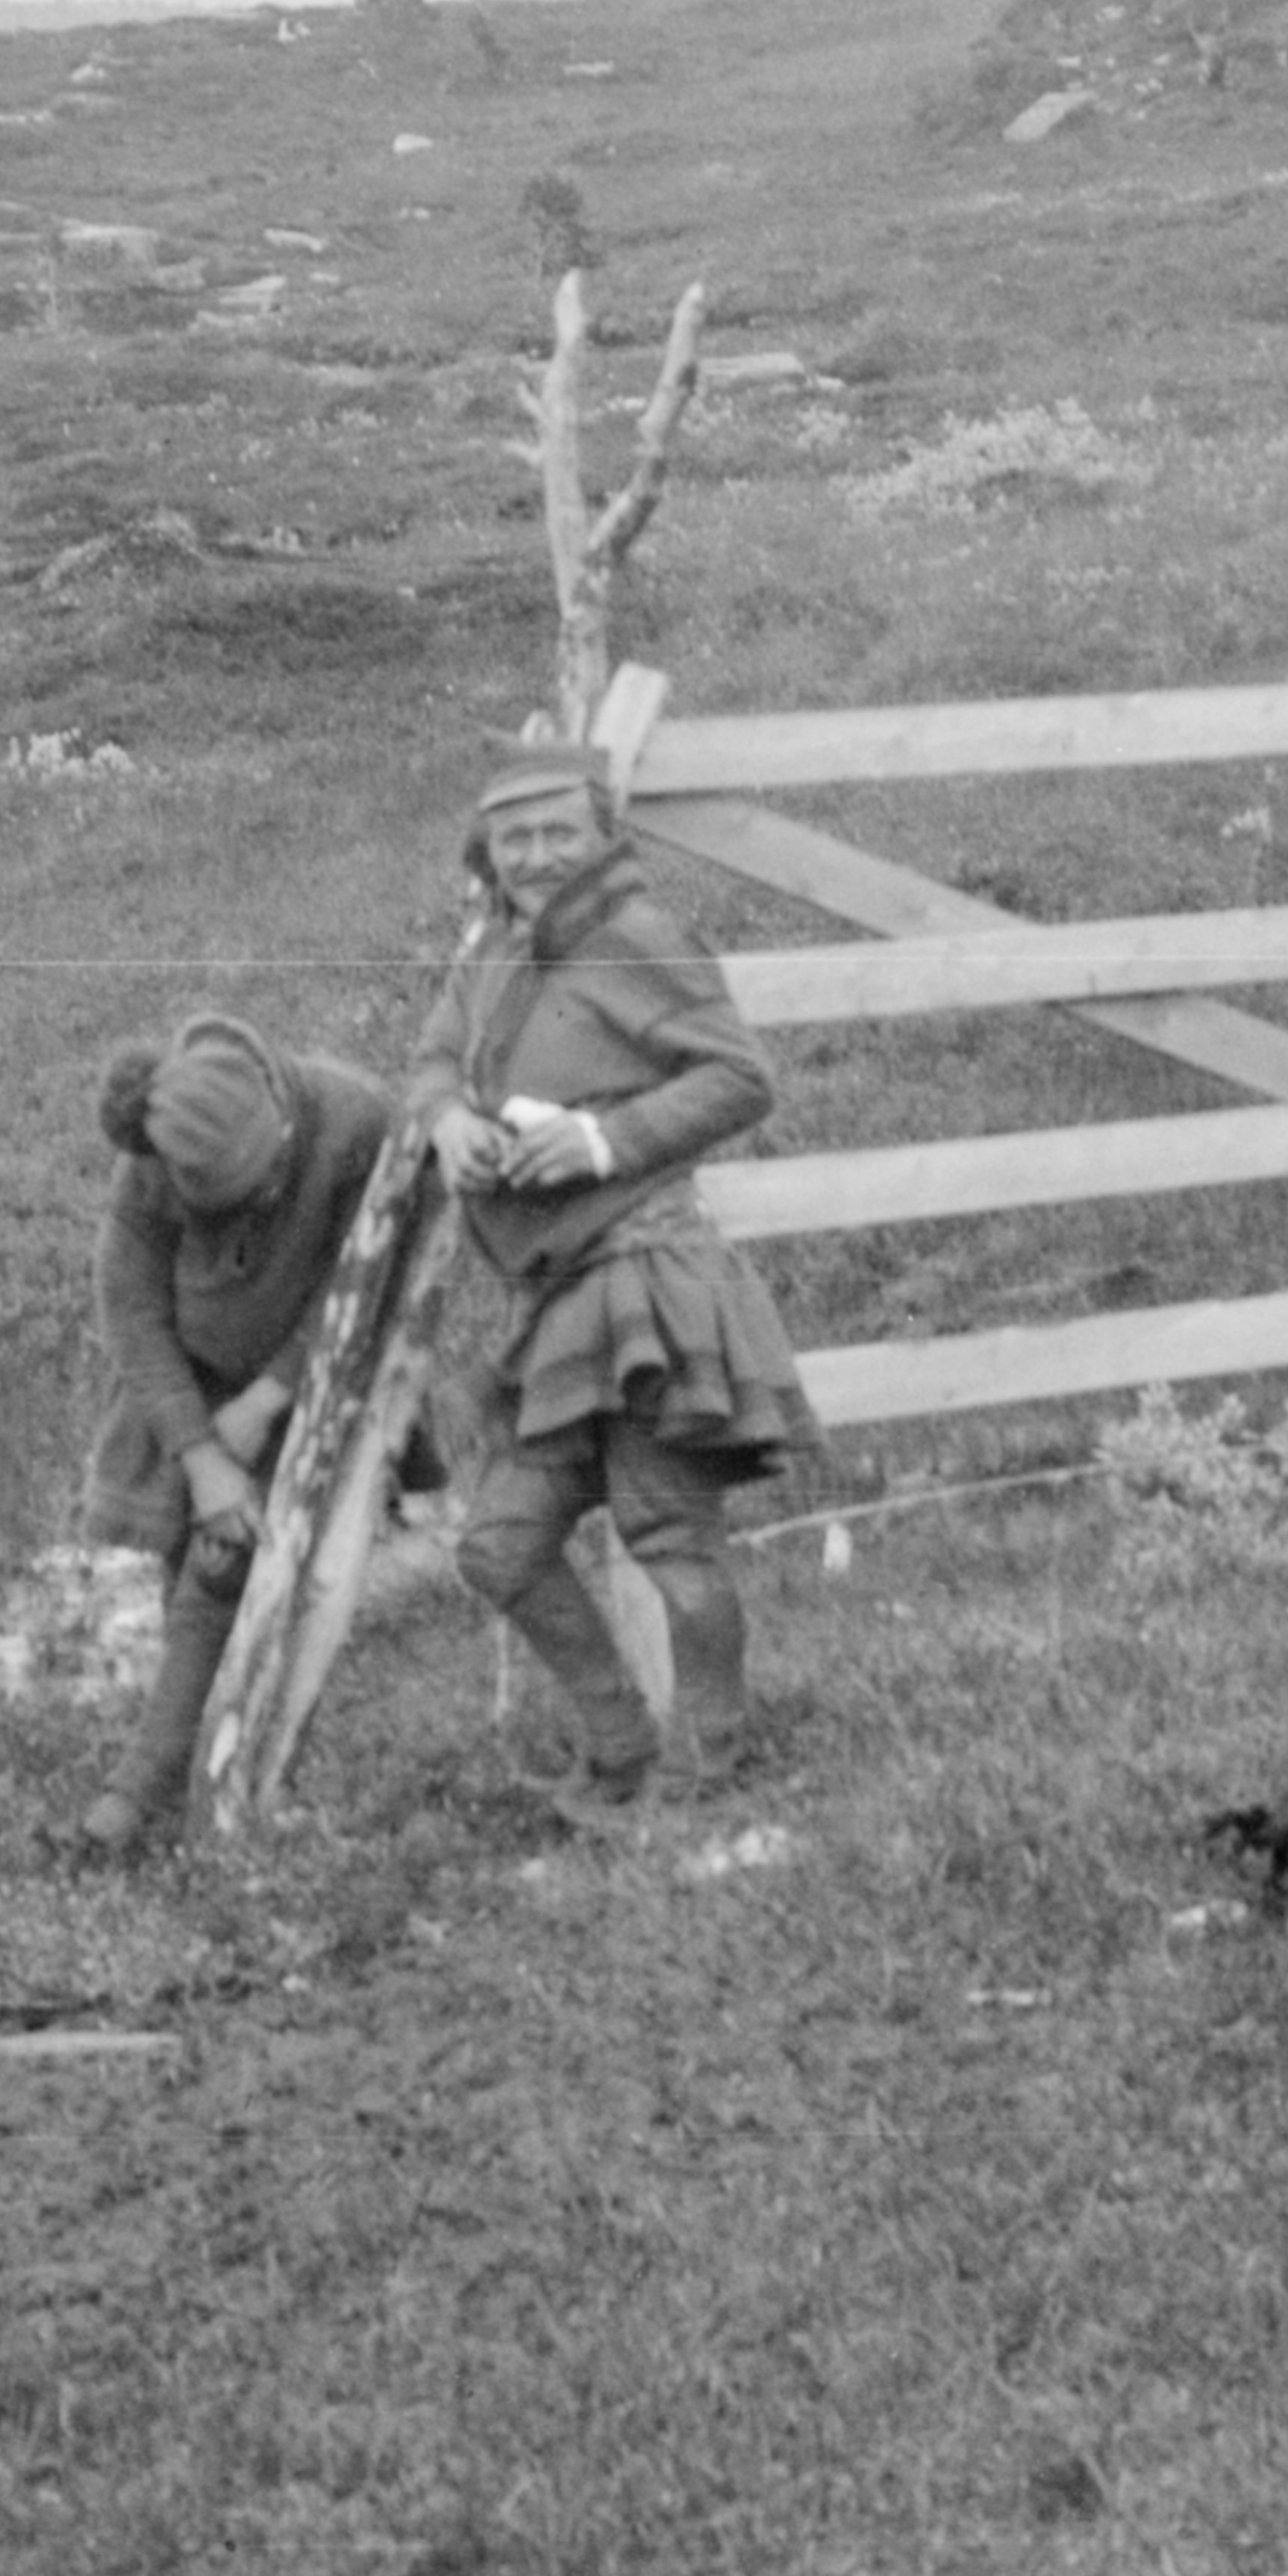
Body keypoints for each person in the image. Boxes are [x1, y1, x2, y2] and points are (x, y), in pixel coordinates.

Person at [404, 746, 817, 1830]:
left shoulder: (637, 935)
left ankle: (714, 1763)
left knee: (672, 1539)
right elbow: (435, 1058)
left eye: (560, 834)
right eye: (515, 838)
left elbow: (741, 1079)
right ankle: (620, 1743)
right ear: (485, 849)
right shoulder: (493, 950)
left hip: (648, 1281)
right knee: (500, 1548)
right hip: (556, 1306)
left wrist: (601, 1140)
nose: (537, 856)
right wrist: (446, 1119)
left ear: (601, 838)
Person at [69, 1010, 398, 1859]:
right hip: (197, 1380)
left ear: (283, 1125)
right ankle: (191, 1765)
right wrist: (202, 1456)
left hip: (319, 1371)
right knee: (204, 1562)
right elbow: (131, 1309)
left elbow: (362, 1284)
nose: (258, 1207)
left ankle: (161, 1782)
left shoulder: (355, 1123)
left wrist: (266, 1401)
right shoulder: (155, 1150)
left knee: (238, 1572)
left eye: (265, 1189)